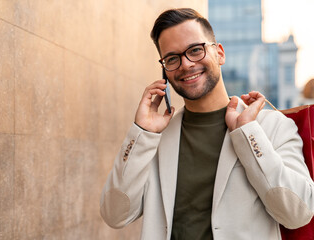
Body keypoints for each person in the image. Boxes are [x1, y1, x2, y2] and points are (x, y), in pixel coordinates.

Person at [100, 8, 314, 240]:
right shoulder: (155, 138)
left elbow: (298, 214)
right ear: (165, 70)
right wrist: (141, 134)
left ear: (220, 53)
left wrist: (248, 134)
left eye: (195, 50)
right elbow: (115, 215)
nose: (186, 64)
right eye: (172, 58)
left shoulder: (271, 126)